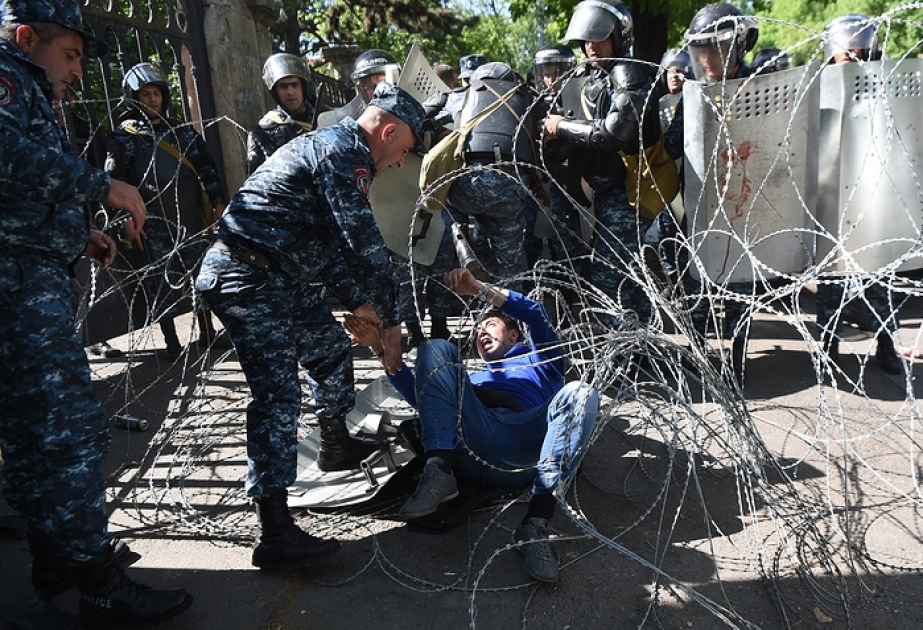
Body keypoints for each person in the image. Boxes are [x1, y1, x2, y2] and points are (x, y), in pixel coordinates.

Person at [0, 0, 194, 626]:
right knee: (74, 433)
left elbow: (21, 189)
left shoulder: (27, 84)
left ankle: (55, 556)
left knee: (32, 437)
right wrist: (99, 186)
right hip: (19, 283)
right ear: (28, 37)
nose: (79, 71)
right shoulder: (6, 81)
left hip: (30, 273)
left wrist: (78, 232)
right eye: (72, 54)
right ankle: (99, 584)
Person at [194, 81, 427, 568]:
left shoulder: (338, 148)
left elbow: (328, 249)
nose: (401, 162)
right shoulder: (344, 155)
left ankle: (336, 444)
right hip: (246, 277)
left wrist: (360, 301)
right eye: (404, 149)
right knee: (278, 396)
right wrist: (391, 322)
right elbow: (363, 245)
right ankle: (275, 530)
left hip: (280, 272)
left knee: (329, 348)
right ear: (386, 131)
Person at [344, 267, 599, 583]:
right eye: (478, 329)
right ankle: (439, 473)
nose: (481, 331)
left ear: (514, 335)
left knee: (581, 393)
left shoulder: (542, 361)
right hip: (469, 442)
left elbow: (534, 314)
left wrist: (477, 288)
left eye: (490, 325)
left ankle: (535, 524)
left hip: (522, 440)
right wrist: (379, 348)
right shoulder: (475, 377)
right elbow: (424, 397)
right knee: (435, 348)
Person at [544, 0, 664, 326]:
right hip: (607, 193)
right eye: (586, 39)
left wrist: (561, 127)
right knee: (629, 274)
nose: (591, 46)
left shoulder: (626, 73)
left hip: (627, 193)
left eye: (599, 38)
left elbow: (614, 133)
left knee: (608, 276)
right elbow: (591, 138)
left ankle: (618, 357)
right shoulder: (598, 79)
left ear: (618, 37)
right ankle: (640, 346)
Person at [105, 62, 228, 361]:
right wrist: (125, 222)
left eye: (156, 93)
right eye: (145, 94)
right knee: (160, 282)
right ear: (134, 98)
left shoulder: (181, 132)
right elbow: (114, 181)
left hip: (189, 219)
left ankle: (207, 331)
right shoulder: (126, 136)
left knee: (201, 274)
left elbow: (206, 167)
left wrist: (218, 201)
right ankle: (171, 340)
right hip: (153, 221)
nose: (152, 99)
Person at [815, 14, 901, 374]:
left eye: (859, 42)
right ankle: (828, 345)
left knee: (877, 275)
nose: (852, 49)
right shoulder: (819, 85)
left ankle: (886, 343)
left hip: (873, 191)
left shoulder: (888, 82)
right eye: (844, 43)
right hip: (832, 190)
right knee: (832, 277)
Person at [247, 52, 325, 175]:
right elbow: (256, 180)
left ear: (303, 88)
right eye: (283, 87)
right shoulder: (265, 130)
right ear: (275, 91)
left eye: (295, 85)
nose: (290, 92)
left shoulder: (325, 118)